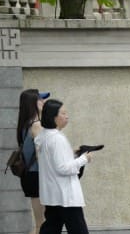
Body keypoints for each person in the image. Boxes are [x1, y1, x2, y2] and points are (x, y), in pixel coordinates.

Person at [35, 98, 97, 234]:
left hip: (52, 195)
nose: (67, 116)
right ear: (54, 117)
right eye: (63, 113)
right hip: (65, 196)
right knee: (78, 230)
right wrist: (84, 159)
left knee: (51, 228)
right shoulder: (57, 138)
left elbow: (53, 161)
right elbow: (63, 168)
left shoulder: (43, 135)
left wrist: (71, 154)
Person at [16, 88, 50, 234]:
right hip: (38, 176)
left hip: (30, 176)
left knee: (39, 223)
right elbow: (41, 154)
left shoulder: (25, 124)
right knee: (42, 224)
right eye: (40, 99)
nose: (43, 101)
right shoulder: (37, 125)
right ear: (32, 103)